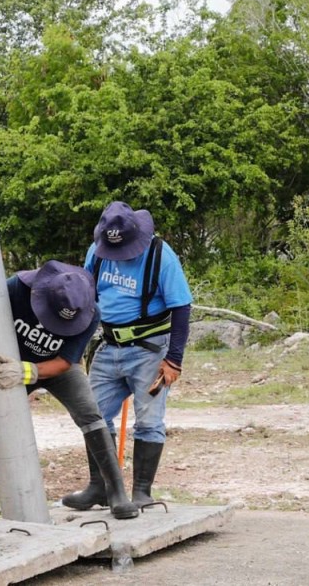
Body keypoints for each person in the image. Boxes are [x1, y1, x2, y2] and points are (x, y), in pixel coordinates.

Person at [0, 260, 139, 534]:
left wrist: (29, 371)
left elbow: (67, 361)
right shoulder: (16, 288)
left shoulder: (90, 314)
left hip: (51, 367)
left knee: (91, 415)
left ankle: (116, 494)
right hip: (6, 363)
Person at [62, 201, 192, 511]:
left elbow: (182, 307)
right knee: (92, 416)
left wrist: (173, 360)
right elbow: (86, 300)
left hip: (150, 350)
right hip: (109, 347)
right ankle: (101, 488)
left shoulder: (161, 255)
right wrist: (75, 347)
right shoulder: (98, 251)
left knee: (148, 421)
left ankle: (142, 492)